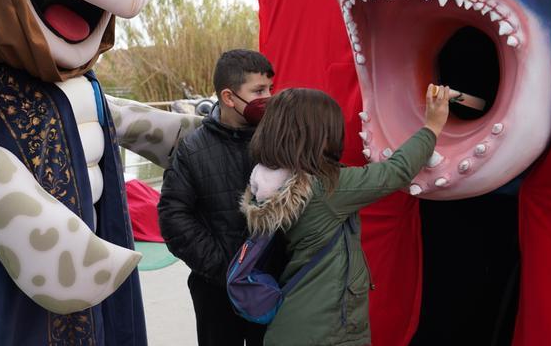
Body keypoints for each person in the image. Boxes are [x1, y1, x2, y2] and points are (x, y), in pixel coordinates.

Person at [240, 85, 450, 346]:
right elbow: (395, 172)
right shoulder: (323, 189)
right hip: (326, 331)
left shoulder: (271, 180)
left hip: (293, 324)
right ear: (318, 134)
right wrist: (432, 127)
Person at [158, 49, 275, 346]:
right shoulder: (191, 150)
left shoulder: (279, 142)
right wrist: (226, 270)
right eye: (259, 90)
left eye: (271, 88)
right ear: (228, 97)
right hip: (215, 291)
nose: (269, 97)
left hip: (274, 286)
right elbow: (173, 218)